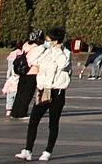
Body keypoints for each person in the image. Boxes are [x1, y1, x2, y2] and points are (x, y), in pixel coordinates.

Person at [16, 27, 71, 162]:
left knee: (53, 123)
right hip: (43, 89)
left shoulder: (65, 53)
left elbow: (63, 64)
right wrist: (42, 48)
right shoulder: (45, 51)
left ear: (55, 40)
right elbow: (32, 59)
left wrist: (58, 49)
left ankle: (48, 151)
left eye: (48, 39)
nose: (46, 41)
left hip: (57, 91)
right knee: (34, 121)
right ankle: (28, 150)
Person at [10, 30, 44, 121]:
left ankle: (15, 112)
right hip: (32, 71)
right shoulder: (37, 48)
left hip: (23, 72)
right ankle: (22, 113)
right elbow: (35, 60)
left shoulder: (25, 45)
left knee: (20, 93)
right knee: (27, 94)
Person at [3, 42, 24, 118]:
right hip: (14, 60)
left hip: (10, 59)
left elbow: (6, 85)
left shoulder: (13, 51)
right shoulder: (19, 51)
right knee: (13, 68)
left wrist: (4, 90)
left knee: (10, 69)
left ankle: (8, 75)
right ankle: (14, 110)